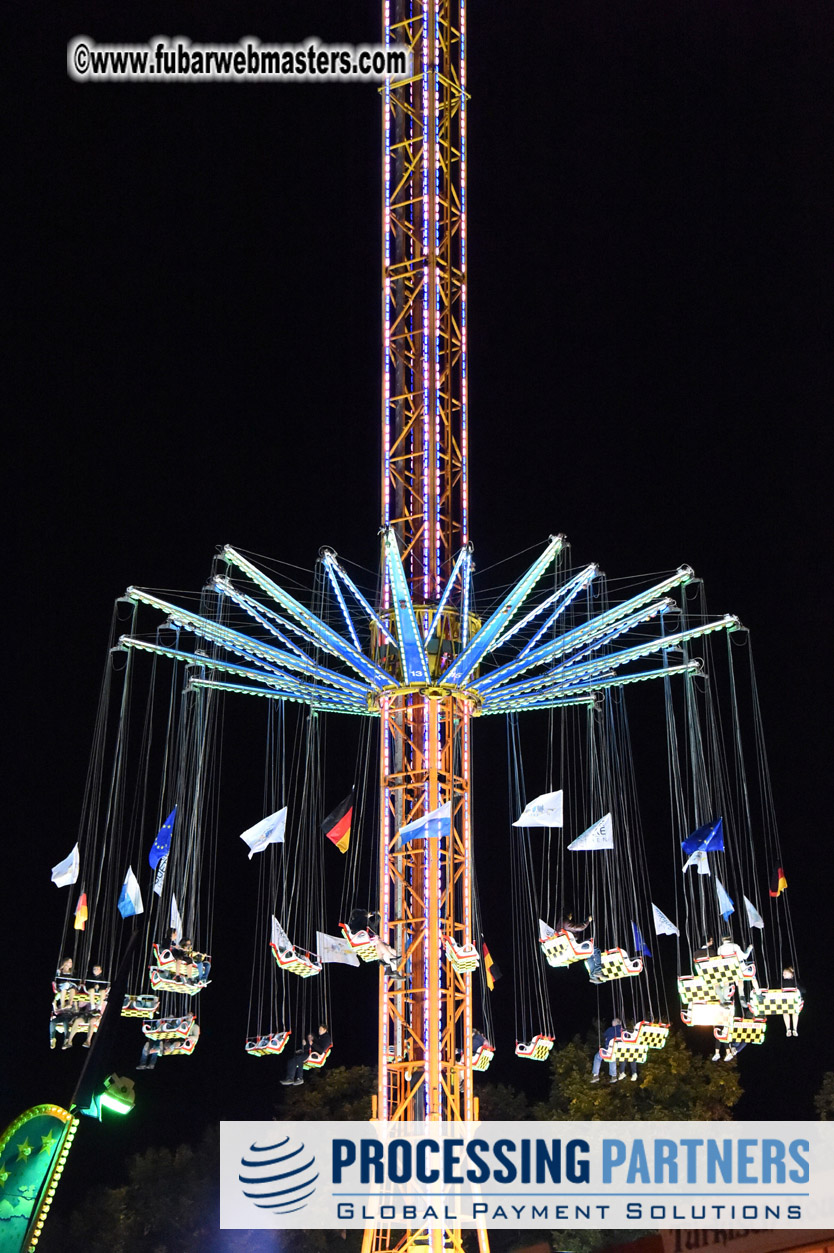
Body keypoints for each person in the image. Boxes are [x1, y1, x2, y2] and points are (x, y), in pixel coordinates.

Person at [590, 1018, 624, 1083]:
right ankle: (613, 1076)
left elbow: (604, 1035)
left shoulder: (611, 1029)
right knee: (612, 1057)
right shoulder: (623, 1031)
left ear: (614, 1023)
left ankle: (595, 1075)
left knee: (597, 1057)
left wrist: (607, 1038)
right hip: (620, 1052)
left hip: (610, 1050)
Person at [781, 966, 803, 1036]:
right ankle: (792, 1029)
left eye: (785, 973)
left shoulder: (793, 982)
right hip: (789, 1000)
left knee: (788, 1012)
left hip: (789, 1000)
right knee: (792, 1012)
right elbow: (803, 990)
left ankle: (790, 1029)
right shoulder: (794, 983)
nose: (783, 975)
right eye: (783, 973)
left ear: (791, 975)